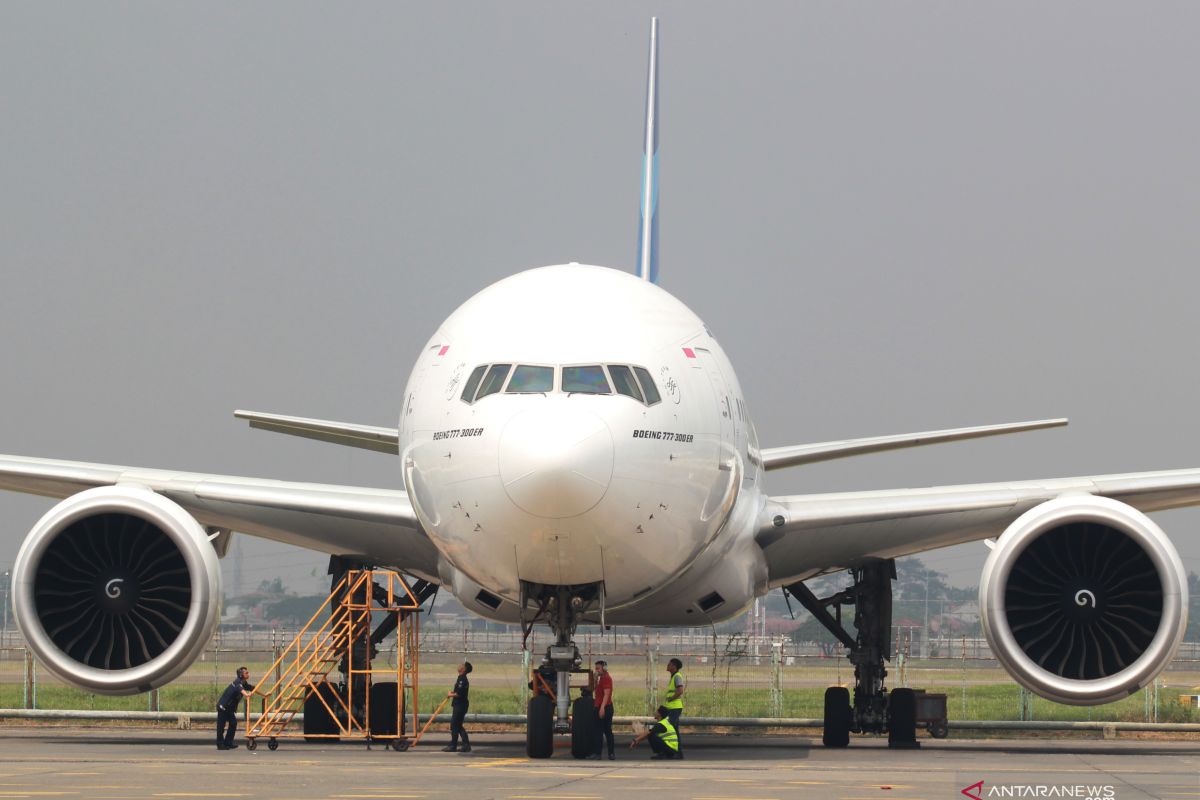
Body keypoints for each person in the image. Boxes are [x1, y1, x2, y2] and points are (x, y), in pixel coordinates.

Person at [216, 666, 254, 751]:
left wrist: (260, 690)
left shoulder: (244, 683)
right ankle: (220, 744)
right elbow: (245, 693)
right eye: (246, 673)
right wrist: (249, 694)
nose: (248, 674)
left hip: (229, 709)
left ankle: (228, 743)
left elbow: (252, 687)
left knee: (233, 723)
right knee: (221, 727)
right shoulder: (238, 683)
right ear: (241, 675)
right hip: (223, 707)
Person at [443, 661, 472, 753]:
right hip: (459, 705)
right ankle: (465, 745)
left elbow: (459, 693)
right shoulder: (460, 678)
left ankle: (453, 745)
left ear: (464, 669)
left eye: (462, 665)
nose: (460, 665)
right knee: (457, 725)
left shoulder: (462, 679)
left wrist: (451, 694)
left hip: (460, 705)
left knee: (455, 725)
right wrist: (452, 693)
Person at [591, 660, 614, 760]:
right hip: (601, 706)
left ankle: (600, 753)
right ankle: (608, 753)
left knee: (602, 731)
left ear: (604, 668)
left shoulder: (606, 678)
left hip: (604, 707)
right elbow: (596, 690)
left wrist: (602, 708)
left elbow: (607, 694)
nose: (596, 671)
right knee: (603, 731)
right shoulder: (601, 679)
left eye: (598, 668)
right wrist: (595, 680)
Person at [663, 657, 685, 758]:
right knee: (674, 730)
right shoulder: (673, 676)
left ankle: (673, 752)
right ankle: (676, 752)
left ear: (674, 667)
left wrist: (671, 698)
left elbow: (680, 690)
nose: (667, 665)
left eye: (669, 664)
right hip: (671, 708)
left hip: (675, 708)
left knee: (669, 730)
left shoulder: (677, 677)